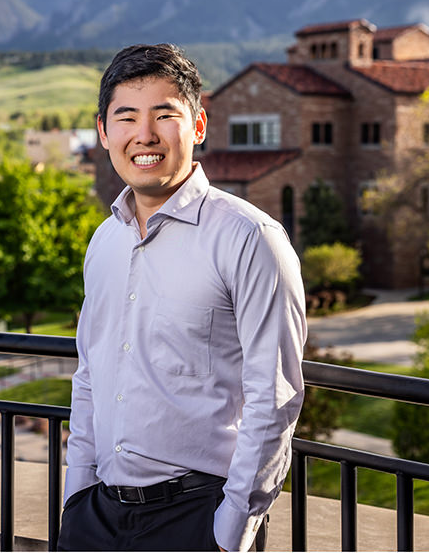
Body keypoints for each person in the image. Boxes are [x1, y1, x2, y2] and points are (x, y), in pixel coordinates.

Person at [59, 43, 307, 552]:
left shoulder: (249, 238)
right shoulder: (103, 241)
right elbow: (88, 377)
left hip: (196, 518)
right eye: (126, 116)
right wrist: (75, 499)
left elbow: (274, 396)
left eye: (164, 115)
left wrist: (230, 532)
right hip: (96, 517)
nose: (144, 135)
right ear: (104, 131)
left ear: (197, 126)